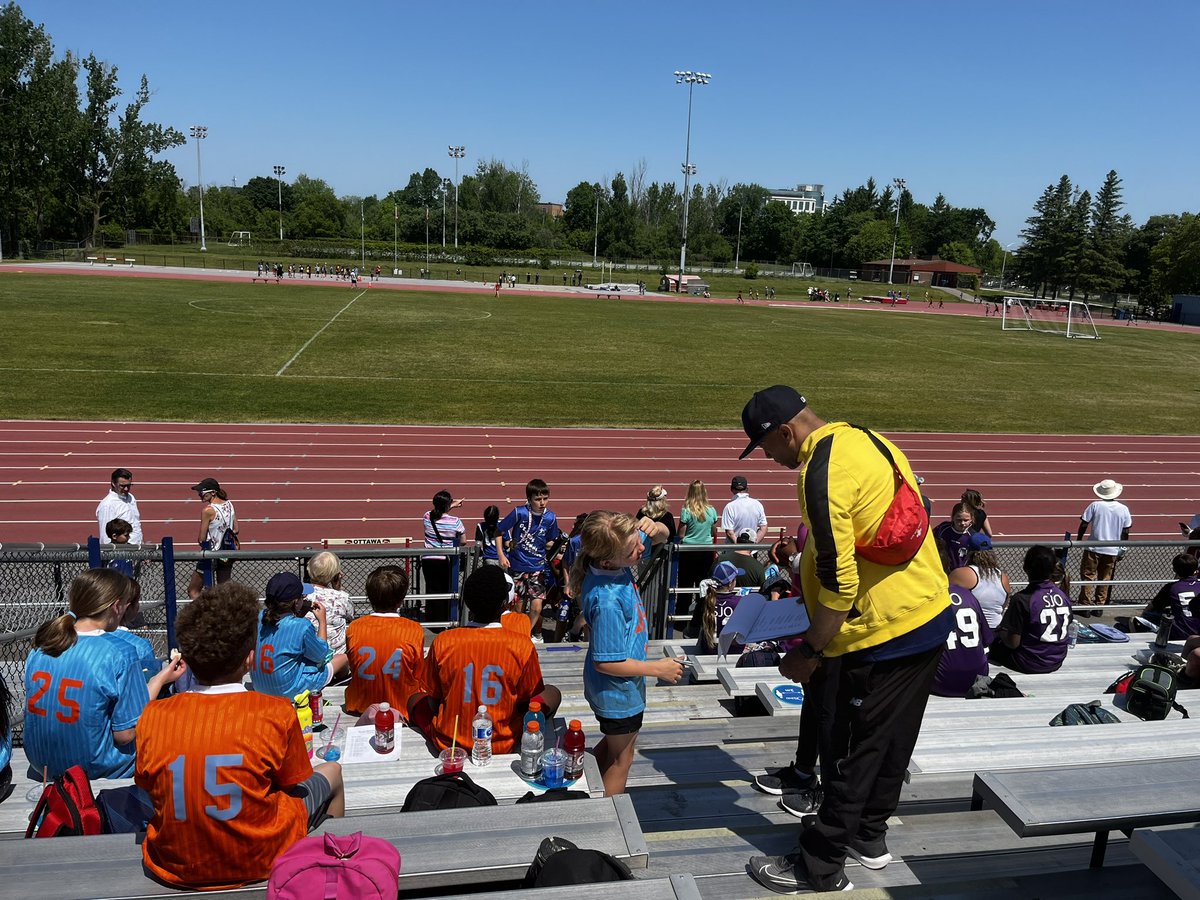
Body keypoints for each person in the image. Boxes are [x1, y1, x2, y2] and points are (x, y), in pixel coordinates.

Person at [738, 385, 950, 894]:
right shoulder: (868, 438)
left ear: (785, 431)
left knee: (853, 752)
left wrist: (809, 651)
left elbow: (840, 579)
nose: (768, 459)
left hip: (879, 632)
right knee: (893, 740)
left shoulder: (821, 470)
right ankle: (869, 837)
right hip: (927, 610)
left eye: (767, 447)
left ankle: (820, 865)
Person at [136, 581, 344, 891]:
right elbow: (292, 782)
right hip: (259, 856)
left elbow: (147, 784)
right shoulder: (275, 711)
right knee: (333, 772)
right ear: (249, 659)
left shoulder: (152, 716)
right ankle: (336, 874)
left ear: (188, 659)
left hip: (175, 861)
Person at [24, 568, 185, 781]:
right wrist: (159, 682)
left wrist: (159, 679)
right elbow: (125, 734)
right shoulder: (121, 651)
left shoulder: (44, 645)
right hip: (94, 768)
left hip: (41, 763)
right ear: (116, 606)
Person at [573, 511, 684, 795]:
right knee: (622, 759)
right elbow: (606, 663)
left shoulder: (618, 546)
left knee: (615, 747)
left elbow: (664, 535)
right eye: (634, 549)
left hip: (619, 690)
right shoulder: (607, 600)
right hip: (617, 694)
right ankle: (609, 815)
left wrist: (655, 526)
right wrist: (658, 669)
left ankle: (583, 791)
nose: (641, 548)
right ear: (608, 561)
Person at [409, 565, 560, 755]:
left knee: (414, 699)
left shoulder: (443, 641)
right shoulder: (522, 645)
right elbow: (524, 703)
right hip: (502, 741)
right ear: (505, 603)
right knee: (552, 693)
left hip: (450, 740)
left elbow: (433, 701)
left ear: (467, 602)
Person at [344, 565, 427, 717]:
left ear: (369, 597)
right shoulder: (413, 629)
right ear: (400, 600)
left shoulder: (354, 628)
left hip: (360, 704)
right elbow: (418, 674)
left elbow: (354, 666)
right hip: (401, 706)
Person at [253, 572, 348, 699]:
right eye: (303, 596)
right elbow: (320, 656)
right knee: (343, 657)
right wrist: (322, 621)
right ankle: (340, 683)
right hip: (287, 691)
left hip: (259, 686)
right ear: (296, 602)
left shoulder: (260, 616)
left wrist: (297, 615)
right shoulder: (302, 625)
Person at [989, 545, 1071, 674]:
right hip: (1056, 659)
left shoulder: (1022, 599)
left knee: (990, 642)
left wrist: (1001, 633)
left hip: (1029, 662)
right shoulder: (1063, 596)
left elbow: (1013, 643)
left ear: (1025, 568)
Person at [496, 479, 561, 641]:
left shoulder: (551, 517)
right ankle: (516, 635)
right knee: (518, 608)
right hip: (518, 566)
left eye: (545, 498)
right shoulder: (520, 513)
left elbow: (549, 541)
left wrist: (561, 547)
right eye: (538, 499)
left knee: (537, 608)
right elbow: (498, 531)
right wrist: (501, 555)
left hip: (537, 567)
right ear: (529, 499)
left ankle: (525, 634)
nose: (542, 503)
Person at [1076, 478, 1132, 614]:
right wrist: (1123, 548)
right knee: (1105, 578)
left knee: (1088, 576)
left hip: (1094, 547)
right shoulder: (1123, 509)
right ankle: (1099, 605)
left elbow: (1084, 523)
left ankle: (1085, 605)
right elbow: (1126, 531)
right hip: (1112, 548)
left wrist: (1079, 539)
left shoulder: (1095, 505)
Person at [931, 586, 994, 697]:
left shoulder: (927, 596)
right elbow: (987, 640)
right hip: (978, 679)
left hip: (941, 682)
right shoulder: (967, 594)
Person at [186, 477, 238, 599]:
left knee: (193, 591)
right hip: (227, 553)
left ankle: (206, 610)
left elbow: (202, 539)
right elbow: (236, 529)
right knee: (223, 592)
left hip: (211, 553)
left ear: (213, 492)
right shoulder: (229, 504)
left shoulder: (208, 510)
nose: (199, 495)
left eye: (202, 492)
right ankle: (224, 610)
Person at [948, 532, 1011, 628]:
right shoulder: (1003, 577)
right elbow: (1003, 605)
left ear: (969, 552)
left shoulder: (961, 574)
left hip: (973, 629)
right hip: (996, 628)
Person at [693, 560, 756, 655]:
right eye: (735, 579)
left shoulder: (704, 601)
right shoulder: (741, 602)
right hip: (734, 651)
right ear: (730, 583)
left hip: (708, 650)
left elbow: (695, 625)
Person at [421, 490, 466, 621]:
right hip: (445, 560)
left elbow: (437, 512)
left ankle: (432, 619)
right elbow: (463, 541)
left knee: (432, 589)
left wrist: (451, 505)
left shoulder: (427, 516)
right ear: (447, 505)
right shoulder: (456, 522)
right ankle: (444, 619)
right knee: (445, 590)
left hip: (428, 559)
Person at [677, 480, 719, 612]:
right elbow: (713, 531)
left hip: (688, 552)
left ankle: (681, 617)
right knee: (704, 586)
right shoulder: (711, 511)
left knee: (685, 586)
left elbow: (681, 534)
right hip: (706, 551)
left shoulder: (686, 511)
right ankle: (702, 615)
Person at [304, 551, 355, 656]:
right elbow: (351, 615)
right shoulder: (341, 597)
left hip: (307, 651)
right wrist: (338, 589)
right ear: (335, 575)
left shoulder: (301, 594)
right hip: (336, 654)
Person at [1143, 554, 1200, 639]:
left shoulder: (1171, 587)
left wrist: (1143, 615)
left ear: (1174, 569)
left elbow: (1152, 606)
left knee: (1146, 617)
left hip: (1180, 634)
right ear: (1196, 570)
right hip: (1197, 634)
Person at [96, 468, 143, 544]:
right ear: (113, 484)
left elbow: (136, 524)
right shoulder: (108, 505)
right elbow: (106, 536)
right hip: (123, 549)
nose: (126, 489)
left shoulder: (131, 498)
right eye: (122, 486)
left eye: (129, 485)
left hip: (137, 547)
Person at [721, 475, 767, 543]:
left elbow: (729, 532)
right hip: (752, 548)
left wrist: (739, 546)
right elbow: (763, 527)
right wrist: (753, 544)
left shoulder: (729, 507)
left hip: (733, 548)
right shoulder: (757, 504)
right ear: (747, 489)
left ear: (731, 489)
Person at [933, 503, 974, 573]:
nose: (962, 523)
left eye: (966, 520)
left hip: (962, 572)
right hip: (942, 569)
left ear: (971, 519)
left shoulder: (973, 536)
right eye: (959, 520)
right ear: (953, 517)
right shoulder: (943, 529)